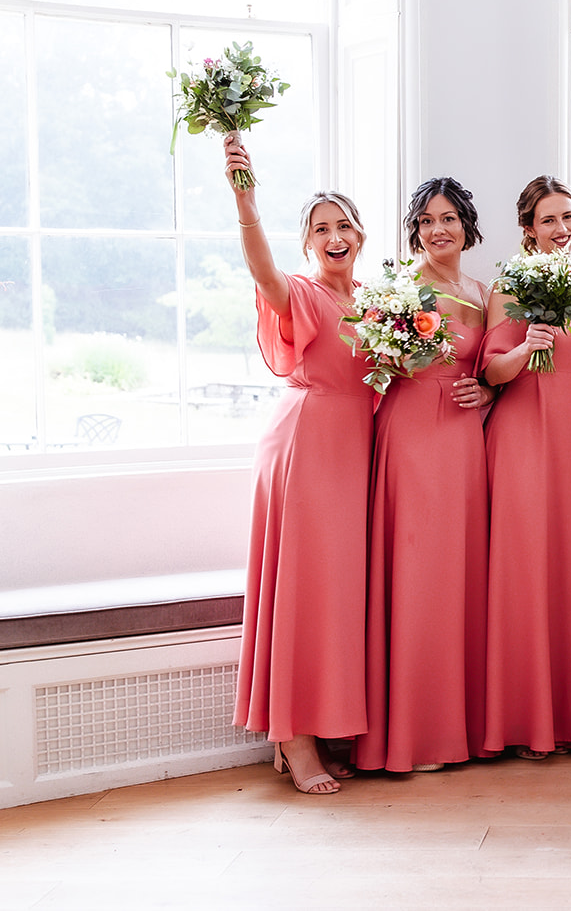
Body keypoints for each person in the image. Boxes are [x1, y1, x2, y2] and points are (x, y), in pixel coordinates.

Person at [225, 133, 369, 795]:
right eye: (320, 228)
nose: (333, 236)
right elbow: (262, 274)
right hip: (307, 447)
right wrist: (246, 201)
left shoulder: (376, 301)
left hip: (354, 455)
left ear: (359, 235)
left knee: (336, 593)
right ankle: (294, 738)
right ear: (309, 243)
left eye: (342, 225)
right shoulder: (306, 292)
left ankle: (323, 727)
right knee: (303, 589)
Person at [355, 177, 496, 773]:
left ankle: (453, 728)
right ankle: (411, 734)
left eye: (448, 218)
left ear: (467, 224)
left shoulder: (483, 292)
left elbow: (491, 367)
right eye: (426, 221)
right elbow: (374, 358)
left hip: (464, 441)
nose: (437, 230)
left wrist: (486, 392)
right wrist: (393, 349)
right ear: (415, 230)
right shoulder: (399, 287)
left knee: (458, 574)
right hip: (411, 431)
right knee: (416, 570)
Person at [481, 177, 571, 760]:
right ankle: (520, 720)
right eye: (549, 220)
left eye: (569, 217)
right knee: (524, 571)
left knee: (566, 568)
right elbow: (490, 371)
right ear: (528, 229)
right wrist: (522, 347)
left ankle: (563, 717)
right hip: (520, 439)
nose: (561, 230)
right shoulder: (509, 286)